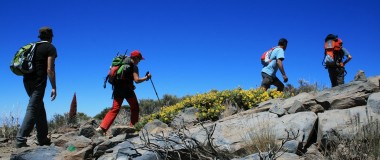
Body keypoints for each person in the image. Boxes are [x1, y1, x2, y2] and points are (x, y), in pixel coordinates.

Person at [16, 26, 57, 148]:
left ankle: (42, 138)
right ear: (51, 37)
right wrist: (54, 87)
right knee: (33, 108)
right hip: (38, 82)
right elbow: (50, 69)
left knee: (39, 108)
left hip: (26, 80)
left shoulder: (33, 46)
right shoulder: (50, 47)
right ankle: (20, 140)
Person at [96, 50, 151, 134]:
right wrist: (146, 77)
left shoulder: (121, 64)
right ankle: (134, 128)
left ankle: (102, 128)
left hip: (117, 89)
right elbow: (137, 80)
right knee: (135, 107)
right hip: (127, 90)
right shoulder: (133, 66)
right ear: (135, 58)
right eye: (139, 59)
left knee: (115, 109)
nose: (139, 61)